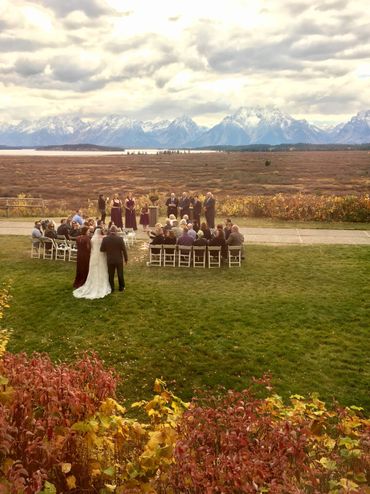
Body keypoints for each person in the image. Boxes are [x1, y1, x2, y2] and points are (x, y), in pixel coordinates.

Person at [73, 228, 111, 299]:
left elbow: (90, 248)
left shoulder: (92, 239)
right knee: (102, 268)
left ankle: (92, 282)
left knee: (93, 269)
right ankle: (101, 283)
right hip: (101, 255)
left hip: (93, 256)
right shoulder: (102, 239)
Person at [100, 225, 128, 292]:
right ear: (116, 231)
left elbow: (102, 249)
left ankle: (112, 288)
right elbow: (124, 250)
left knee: (111, 274)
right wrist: (126, 259)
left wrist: (108, 249)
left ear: (110, 231)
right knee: (120, 274)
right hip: (119, 259)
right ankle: (121, 287)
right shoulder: (120, 239)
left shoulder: (105, 239)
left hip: (110, 259)